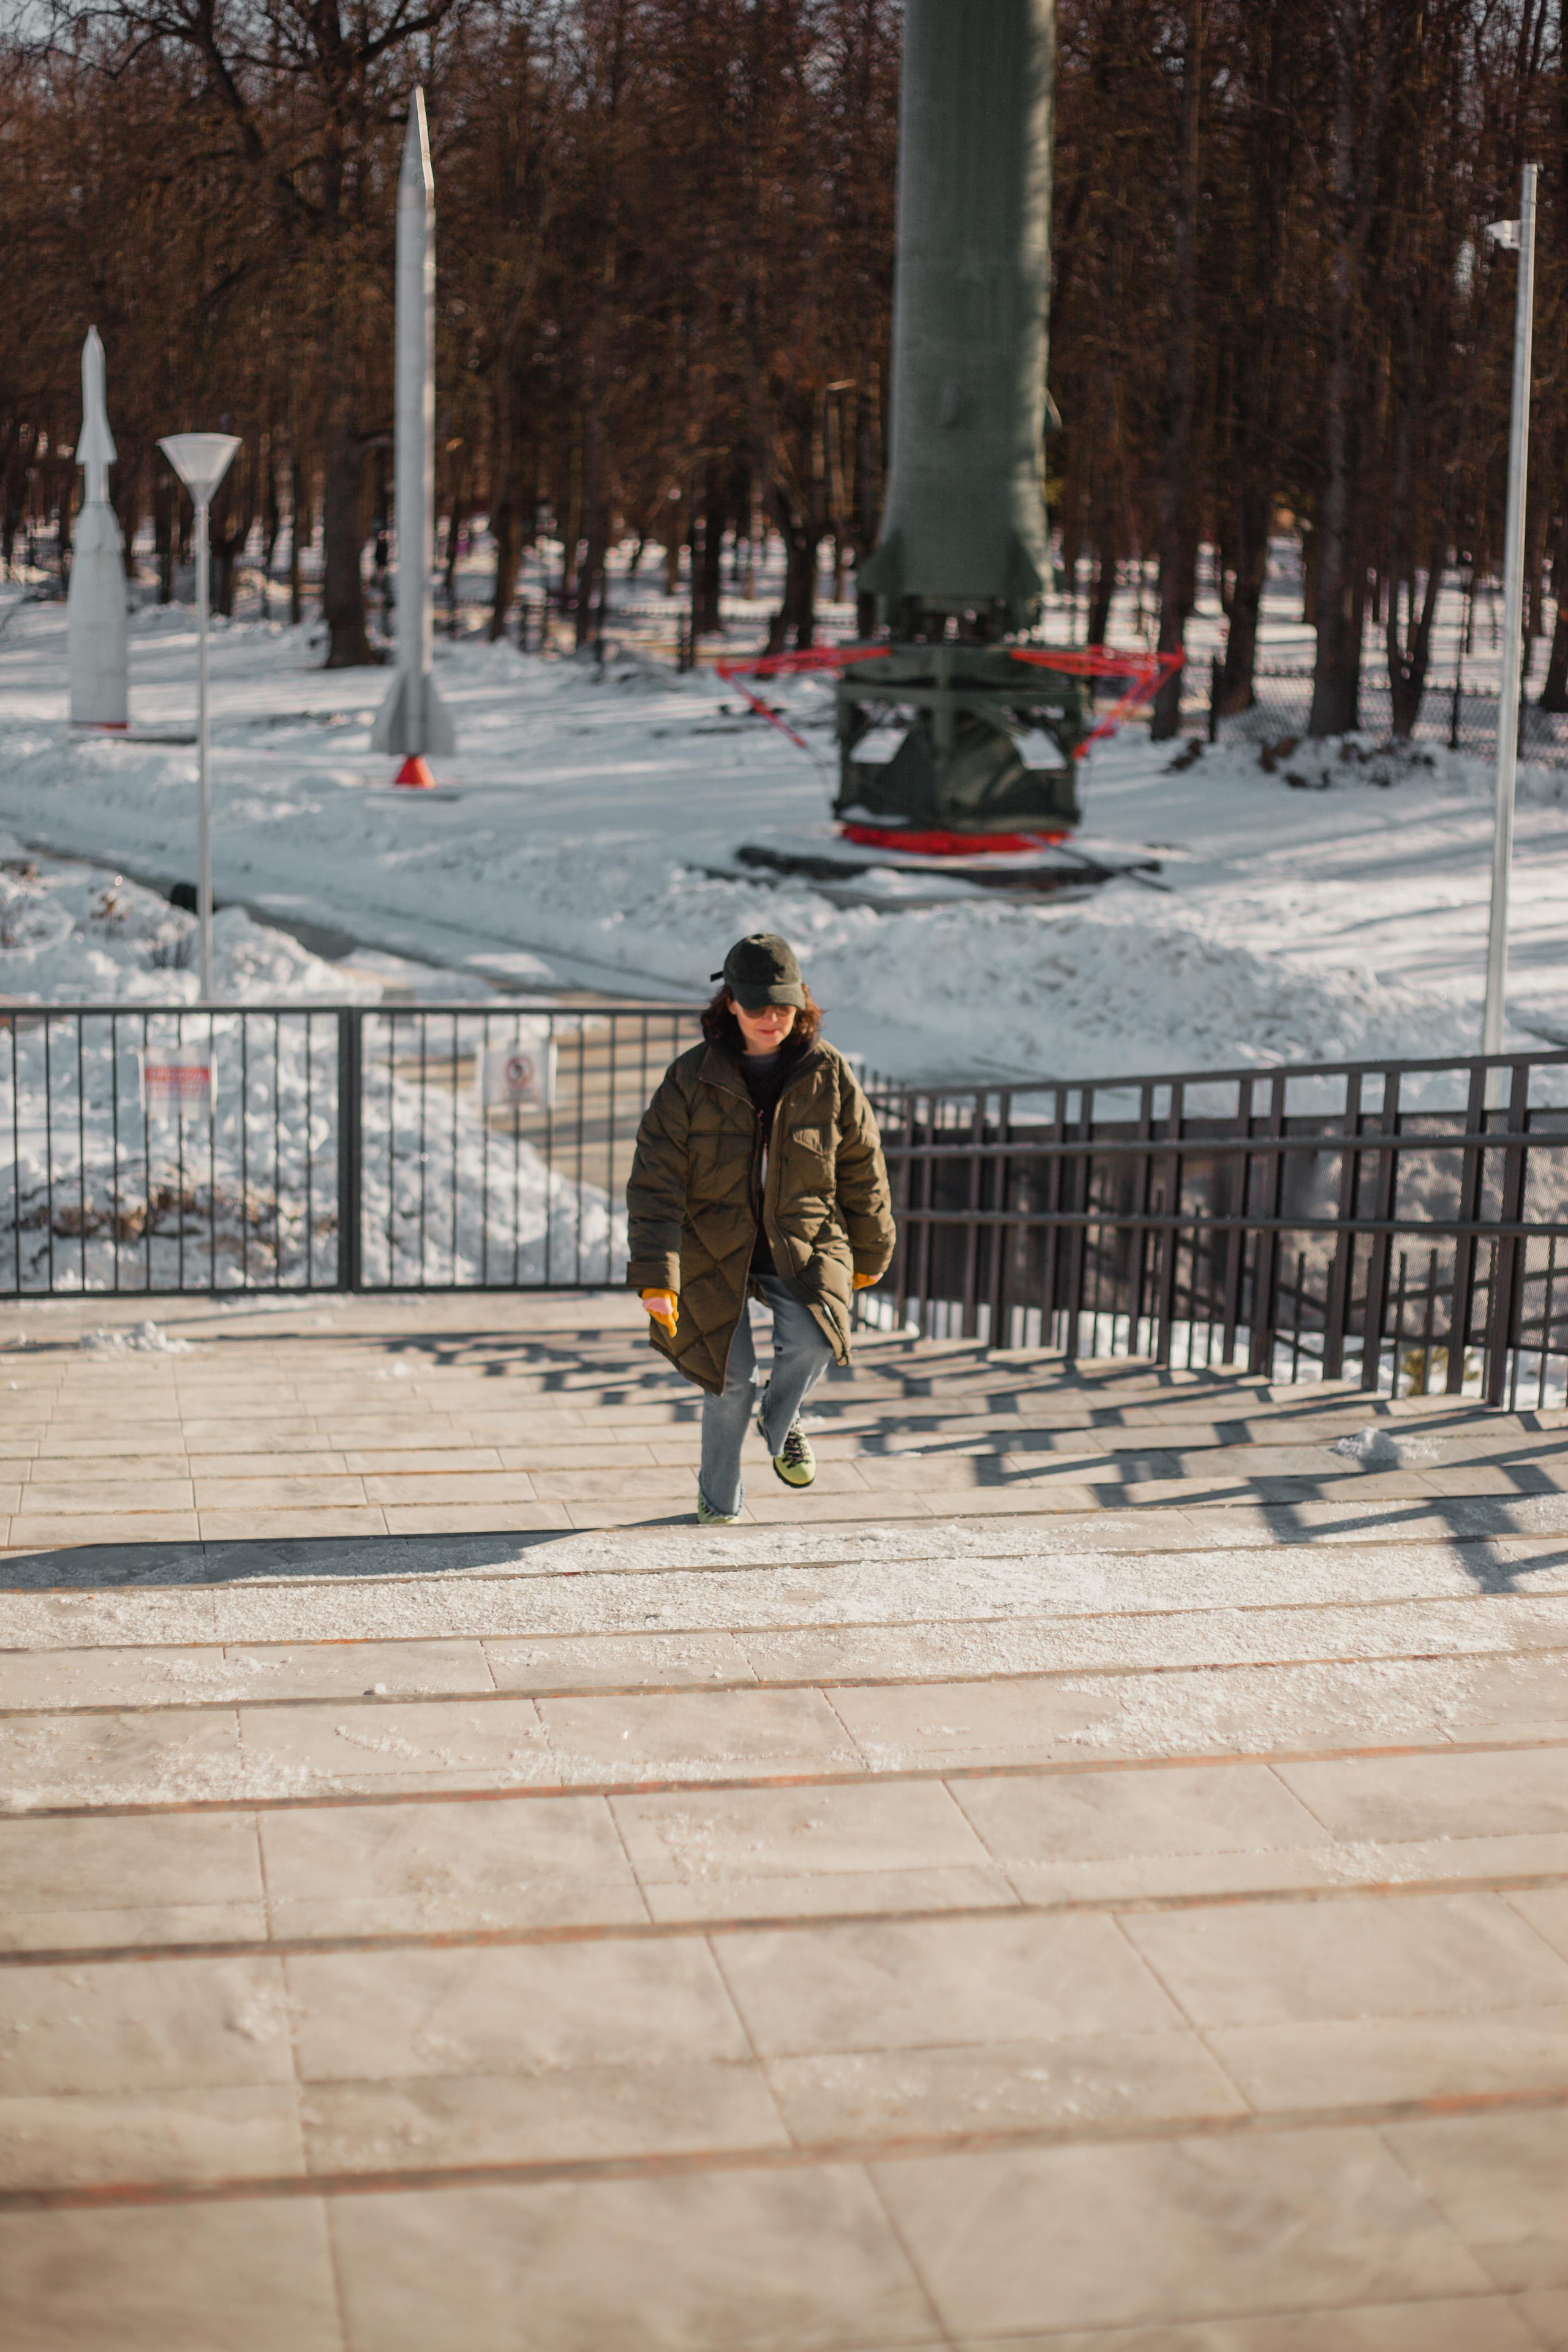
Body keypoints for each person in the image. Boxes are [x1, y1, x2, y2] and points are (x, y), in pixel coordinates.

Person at [627, 932, 895, 1523]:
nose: (771, 1019)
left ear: (801, 1003)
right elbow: (656, 1181)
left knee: (819, 1338)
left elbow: (861, 1166)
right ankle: (719, 1503)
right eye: (757, 1006)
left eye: (783, 1005)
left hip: (802, 1235)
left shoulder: (829, 1074)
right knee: (729, 1384)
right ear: (729, 1004)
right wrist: (656, 1274)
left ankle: (782, 1417)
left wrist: (872, 1246)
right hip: (710, 1244)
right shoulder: (688, 1079)